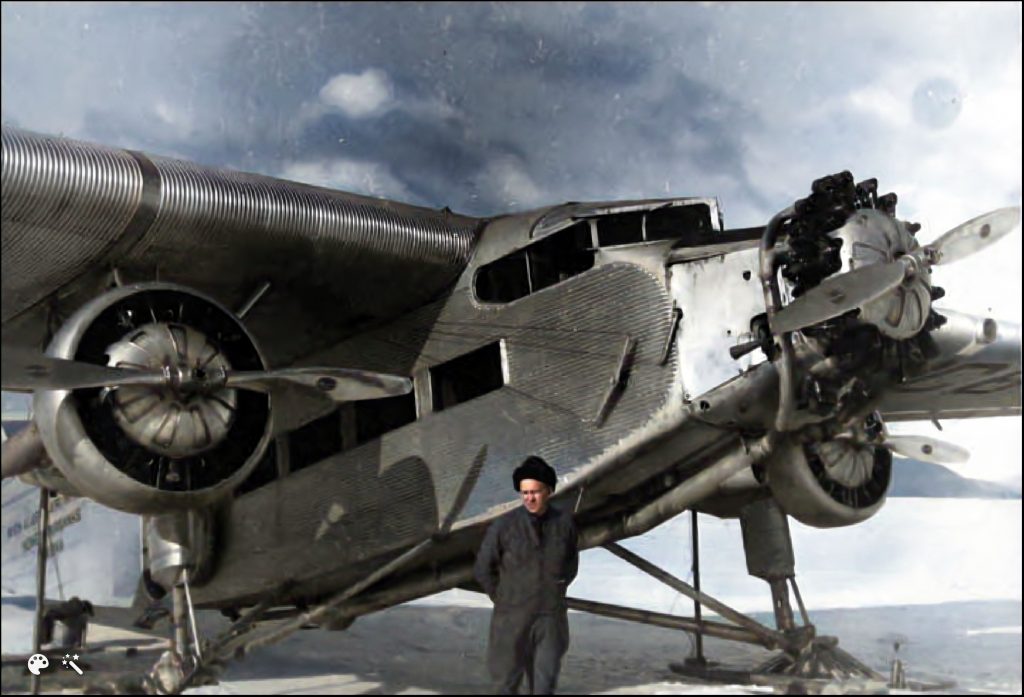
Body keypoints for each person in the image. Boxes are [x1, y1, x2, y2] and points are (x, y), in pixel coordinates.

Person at [474, 456, 579, 695]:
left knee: (545, 686)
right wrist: (505, 598)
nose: (529, 498)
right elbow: (483, 568)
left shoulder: (564, 524)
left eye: (535, 492)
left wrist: (553, 591)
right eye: (525, 493)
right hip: (511, 620)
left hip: (550, 620)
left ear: (548, 491)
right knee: (506, 685)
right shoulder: (504, 526)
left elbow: (570, 565)